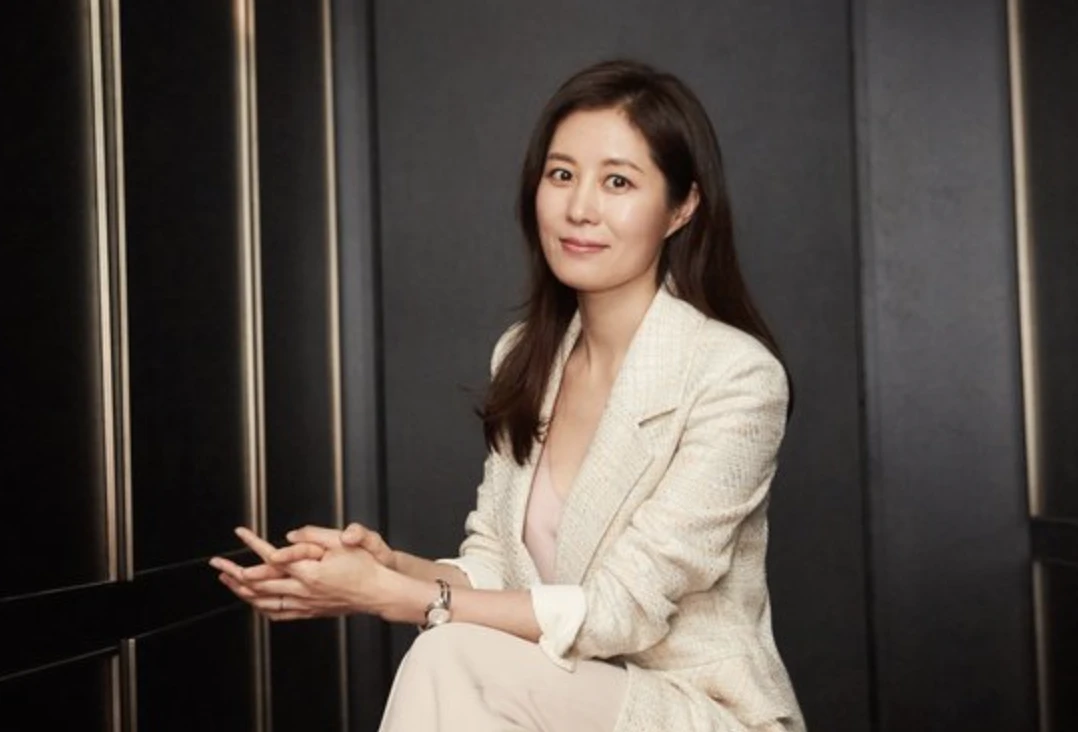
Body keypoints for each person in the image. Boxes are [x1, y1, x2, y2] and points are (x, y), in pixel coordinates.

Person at [211, 59, 805, 731]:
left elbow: (622, 610)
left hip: (691, 711)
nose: (580, 208)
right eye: (562, 175)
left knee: (449, 651)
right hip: (552, 696)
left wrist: (402, 599)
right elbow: (497, 567)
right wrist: (385, 569)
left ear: (682, 207)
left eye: (617, 181)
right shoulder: (526, 355)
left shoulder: (735, 376)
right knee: (453, 651)